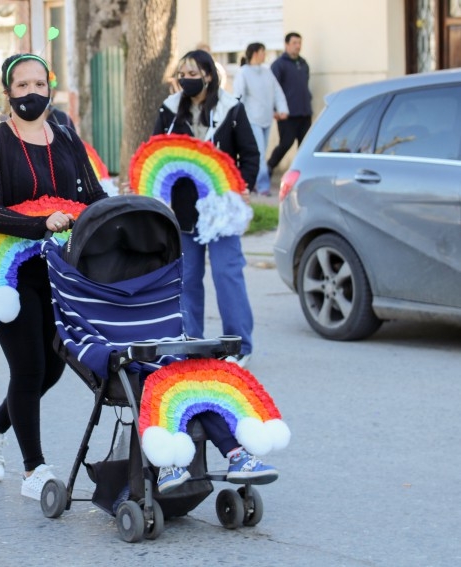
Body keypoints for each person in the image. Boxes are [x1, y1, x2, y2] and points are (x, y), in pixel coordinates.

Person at [0, 53, 107, 500]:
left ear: (50, 86)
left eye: (38, 84)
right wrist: (39, 222)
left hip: (60, 269)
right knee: (28, 367)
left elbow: (93, 194)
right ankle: (34, 470)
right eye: (21, 86)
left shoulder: (66, 137)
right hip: (7, 272)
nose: (31, 93)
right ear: (7, 92)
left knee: (52, 368)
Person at [150, 49, 276, 493]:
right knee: (186, 281)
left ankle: (239, 343)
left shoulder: (230, 109)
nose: (187, 79)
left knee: (228, 275)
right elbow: (155, 154)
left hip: (220, 212)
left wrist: (233, 190)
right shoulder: (169, 111)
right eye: (181, 73)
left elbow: (250, 156)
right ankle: (193, 342)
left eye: (194, 73)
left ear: (209, 76)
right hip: (182, 212)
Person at [232, 42, 289, 195]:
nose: (265, 55)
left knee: (261, 152)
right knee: (260, 153)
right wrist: (237, 118)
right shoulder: (243, 73)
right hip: (252, 120)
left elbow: (277, 92)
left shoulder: (267, 72)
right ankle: (263, 186)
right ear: (256, 53)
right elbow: (238, 96)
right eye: (263, 52)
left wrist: (282, 109)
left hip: (266, 119)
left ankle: (255, 182)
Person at [267, 32, 312, 175]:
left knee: (305, 145)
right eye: (294, 43)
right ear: (286, 45)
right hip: (287, 114)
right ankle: (269, 168)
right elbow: (272, 89)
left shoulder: (303, 64)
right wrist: (275, 110)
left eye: (299, 43)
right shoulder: (279, 65)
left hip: (304, 112)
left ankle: (301, 173)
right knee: (286, 143)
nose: (298, 46)